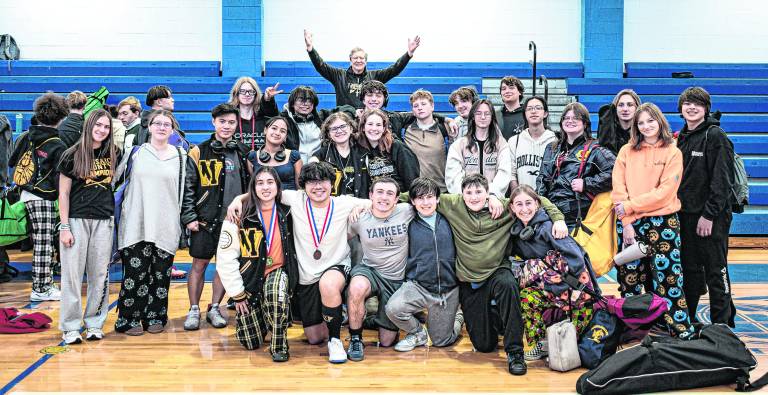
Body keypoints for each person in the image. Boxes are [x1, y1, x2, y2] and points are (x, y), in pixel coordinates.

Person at [415, 174, 567, 375]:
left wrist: (558, 219)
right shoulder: (453, 204)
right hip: (469, 279)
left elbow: (539, 199)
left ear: (488, 193)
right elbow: (413, 196)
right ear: (461, 194)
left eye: (479, 192)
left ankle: (515, 352)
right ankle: (493, 319)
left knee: (508, 285)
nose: (474, 197)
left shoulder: (504, 206)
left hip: (497, 270)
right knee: (484, 345)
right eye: (469, 192)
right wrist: (378, 203)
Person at [227, 162, 371, 364]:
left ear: (332, 183)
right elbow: (265, 191)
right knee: (314, 337)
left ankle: (335, 340)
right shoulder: (294, 199)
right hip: (306, 274)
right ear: (303, 185)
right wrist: (237, 199)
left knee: (329, 285)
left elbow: (377, 202)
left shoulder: (344, 203)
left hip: (336, 265)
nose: (318, 187)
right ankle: (335, 314)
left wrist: (361, 206)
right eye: (312, 182)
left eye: (323, 181)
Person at [611, 103, 695, 339]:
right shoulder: (626, 151)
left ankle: (678, 327)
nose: (646, 126)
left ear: (660, 121)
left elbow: (665, 193)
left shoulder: (672, 152)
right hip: (630, 224)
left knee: (669, 277)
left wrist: (630, 207)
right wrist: (627, 222)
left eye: (650, 121)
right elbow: (618, 189)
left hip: (663, 221)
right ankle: (633, 327)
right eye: (641, 123)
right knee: (629, 278)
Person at [114, 110, 193, 335]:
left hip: (166, 223)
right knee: (134, 274)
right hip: (136, 222)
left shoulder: (181, 156)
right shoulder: (135, 153)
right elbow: (115, 182)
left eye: (166, 124)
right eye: (157, 123)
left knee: (161, 274)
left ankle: (155, 316)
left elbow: (188, 189)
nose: (161, 127)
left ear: (172, 129)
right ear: (149, 127)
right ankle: (128, 318)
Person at [216, 166, 298, 361]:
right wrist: (237, 294)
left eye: (270, 182)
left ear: (278, 186)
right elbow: (225, 259)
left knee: (275, 296)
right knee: (250, 342)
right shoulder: (238, 214)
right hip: (250, 278)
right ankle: (263, 314)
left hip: (277, 271)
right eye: (260, 183)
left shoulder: (288, 210)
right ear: (253, 187)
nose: (265, 187)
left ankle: (279, 346)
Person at [181, 103, 251, 331]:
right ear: (213, 122)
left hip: (233, 223)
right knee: (199, 264)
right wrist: (189, 216)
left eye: (231, 122)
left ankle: (214, 307)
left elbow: (250, 186)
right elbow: (188, 187)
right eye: (222, 122)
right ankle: (193, 309)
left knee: (224, 266)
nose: (227, 126)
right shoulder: (198, 151)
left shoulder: (242, 151)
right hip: (204, 220)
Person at [508, 185, 598, 361]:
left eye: (528, 203)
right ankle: (542, 345)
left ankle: (570, 346)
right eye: (519, 204)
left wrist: (544, 275)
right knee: (526, 297)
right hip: (550, 286)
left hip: (573, 287)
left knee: (575, 342)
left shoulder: (550, 227)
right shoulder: (518, 233)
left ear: (537, 204)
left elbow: (577, 261)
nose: (524, 209)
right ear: (512, 207)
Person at [57, 108, 120, 344]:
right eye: (98, 125)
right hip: (76, 220)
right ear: (88, 126)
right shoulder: (71, 154)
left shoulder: (115, 152)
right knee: (72, 276)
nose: (102, 130)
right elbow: (63, 194)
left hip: (104, 220)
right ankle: (71, 326)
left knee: (100, 275)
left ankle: (94, 323)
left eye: (106, 127)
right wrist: (64, 227)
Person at [676, 87, 737, 327]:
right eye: (687, 103)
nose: (692, 108)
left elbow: (723, 181)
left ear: (706, 109)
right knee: (690, 270)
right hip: (685, 216)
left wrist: (709, 215)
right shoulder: (681, 137)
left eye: (698, 104)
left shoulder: (715, 136)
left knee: (716, 271)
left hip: (712, 217)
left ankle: (722, 326)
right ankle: (688, 322)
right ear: (681, 108)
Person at [385, 177, 463, 352]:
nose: (425, 202)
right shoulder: (408, 222)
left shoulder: (450, 219)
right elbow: (388, 202)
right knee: (393, 309)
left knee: (441, 341)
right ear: (413, 201)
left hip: (448, 290)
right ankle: (418, 333)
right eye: (420, 198)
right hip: (418, 286)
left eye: (429, 197)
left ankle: (458, 316)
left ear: (437, 199)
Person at [344, 177, 413, 361]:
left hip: (395, 279)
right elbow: (340, 238)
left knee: (387, 341)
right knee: (356, 287)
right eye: (379, 192)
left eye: (390, 193)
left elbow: (424, 201)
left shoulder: (406, 211)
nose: (384, 197)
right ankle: (356, 338)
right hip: (370, 270)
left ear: (397, 198)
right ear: (371, 195)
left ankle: (368, 318)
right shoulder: (359, 218)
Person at [9, 93, 69, 301]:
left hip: (23, 193)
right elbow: (59, 176)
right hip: (43, 196)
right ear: (62, 117)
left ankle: (43, 284)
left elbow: (12, 162)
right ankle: (41, 288)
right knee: (44, 242)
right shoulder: (57, 144)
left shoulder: (26, 136)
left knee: (40, 241)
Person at [536, 102, 616, 229]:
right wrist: (539, 204)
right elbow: (542, 179)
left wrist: (586, 184)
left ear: (585, 123)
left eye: (576, 118)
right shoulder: (551, 148)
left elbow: (615, 173)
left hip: (578, 216)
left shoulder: (596, 149)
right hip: (550, 213)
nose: (570, 121)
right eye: (566, 118)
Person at [304, 29, 420, 108]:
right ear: (350, 60)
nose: (358, 60)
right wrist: (310, 49)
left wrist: (408, 54)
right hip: (346, 120)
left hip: (368, 120)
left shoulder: (375, 76)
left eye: (361, 58)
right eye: (355, 58)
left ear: (366, 61)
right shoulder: (338, 75)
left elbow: (394, 69)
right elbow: (321, 66)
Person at [445, 99, 512, 196]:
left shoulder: (501, 144)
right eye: (478, 113)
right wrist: (469, 195)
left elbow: (504, 174)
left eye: (487, 114)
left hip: (492, 199)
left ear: (492, 117)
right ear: (473, 116)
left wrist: (490, 194)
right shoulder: (458, 145)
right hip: (466, 200)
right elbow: (453, 177)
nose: (483, 117)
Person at [280, 85, 356, 163]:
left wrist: (345, 120)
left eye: (309, 100)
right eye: (301, 100)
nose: (305, 104)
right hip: (293, 166)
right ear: (292, 103)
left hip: (319, 166)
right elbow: (271, 115)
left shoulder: (321, 117)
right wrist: (270, 100)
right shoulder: (284, 120)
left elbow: (348, 108)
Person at [401, 89, 453, 192]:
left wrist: (448, 120)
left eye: (423, 104)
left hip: (441, 189)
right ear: (412, 111)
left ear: (432, 106)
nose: (420, 108)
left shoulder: (446, 128)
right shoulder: (405, 130)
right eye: (416, 106)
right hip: (414, 191)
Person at [356, 108, 419, 192]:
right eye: (370, 124)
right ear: (363, 127)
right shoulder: (357, 149)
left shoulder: (398, 147)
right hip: (371, 198)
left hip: (398, 198)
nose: (374, 128)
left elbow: (413, 182)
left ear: (383, 128)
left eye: (378, 125)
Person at [310, 112, 371, 198]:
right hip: (333, 203)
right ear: (329, 134)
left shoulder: (363, 153)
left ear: (351, 129)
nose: (339, 131)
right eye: (334, 128)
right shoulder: (321, 155)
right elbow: (310, 173)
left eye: (343, 126)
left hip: (359, 202)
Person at [508, 96, 557, 190]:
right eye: (529, 109)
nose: (533, 111)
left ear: (545, 113)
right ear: (525, 114)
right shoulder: (514, 141)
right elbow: (511, 174)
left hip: (547, 197)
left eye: (538, 108)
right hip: (522, 197)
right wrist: (518, 194)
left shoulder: (555, 141)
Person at [127, 85, 189, 150]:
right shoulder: (159, 123)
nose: (173, 100)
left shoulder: (145, 122)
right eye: (169, 97)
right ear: (159, 102)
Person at [228, 76, 282, 151]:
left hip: (261, 157)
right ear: (236, 93)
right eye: (242, 91)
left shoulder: (264, 116)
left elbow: (272, 114)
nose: (247, 94)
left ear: (255, 94)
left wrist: (268, 99)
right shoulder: (229, 119)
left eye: (251, 91)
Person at [249, 116, 302, 190]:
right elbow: (252, 188)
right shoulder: (252, 157)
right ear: (265, 130)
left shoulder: (294, 156)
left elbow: (300, 188)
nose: (277, 133)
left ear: (285, 137)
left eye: (282, 131)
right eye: (274, 128)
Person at [597, 89, 642, 156]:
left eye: (630, 105)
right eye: (621, 105)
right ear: (615, 108)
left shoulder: (643, 133)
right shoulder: (607, 131)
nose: (625, 109)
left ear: (637, 108)